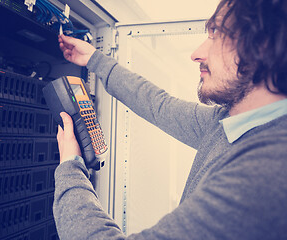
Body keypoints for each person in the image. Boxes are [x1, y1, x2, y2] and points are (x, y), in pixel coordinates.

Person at [53, 0, 287, 239]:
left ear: (263, 45)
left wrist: (70, 168)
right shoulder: (229, 123)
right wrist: (96, 59)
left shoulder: (263, 174)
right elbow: (158, 105)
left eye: (216, 33)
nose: (196, 55)